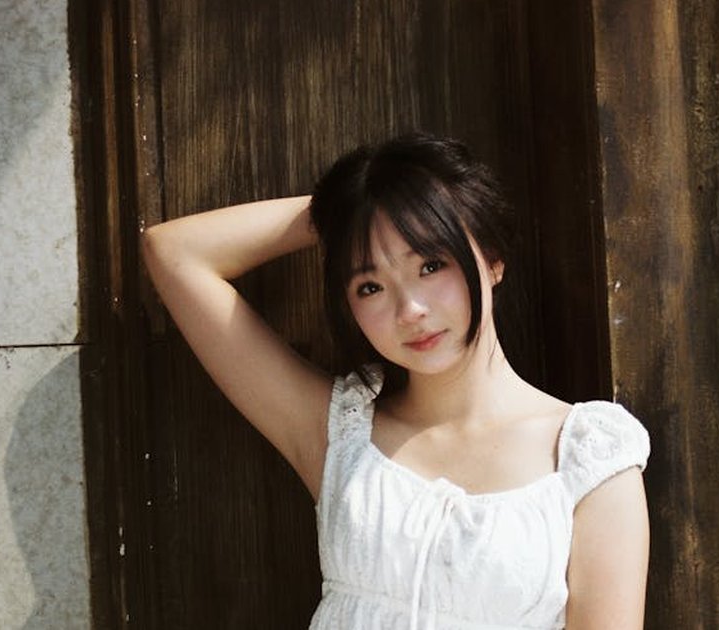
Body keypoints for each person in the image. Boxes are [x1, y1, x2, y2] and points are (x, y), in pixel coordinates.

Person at [141, 133, 650, 630]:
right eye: (370, 285)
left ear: (492, 259)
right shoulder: (339, 435)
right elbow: (175, 252)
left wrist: (396, 213)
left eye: (431, 264)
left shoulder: (588, 457)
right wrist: (351, 211)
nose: (410, 309)